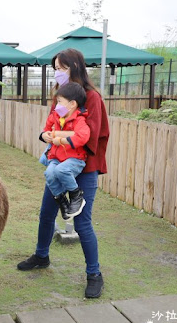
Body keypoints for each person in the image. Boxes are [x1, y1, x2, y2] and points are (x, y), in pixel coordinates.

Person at [18, 48, 109, 299]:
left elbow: (87, 136)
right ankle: (41, 255)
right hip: (58, 165)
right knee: (47, 213)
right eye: (56, 68)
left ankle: (94, 274)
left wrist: (56, 137)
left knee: (82, 222)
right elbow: (48, 127)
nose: (57, 73)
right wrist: (45, 135)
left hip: (83, 168)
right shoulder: (61, 97)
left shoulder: (92, 98)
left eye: (61, 68)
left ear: (75, 67)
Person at [39, 82, 90, 220]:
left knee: (60, 170)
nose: (57, 106)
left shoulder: (79, 120)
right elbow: (46, 129)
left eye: (60, 102)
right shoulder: (55, 117)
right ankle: (62, 200)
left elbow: (83, 136)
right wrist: (45, 135)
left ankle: (76, 195)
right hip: (56, 157)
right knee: (49, 173)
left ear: (72, 104)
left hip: (74, 159)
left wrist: (61, 140)